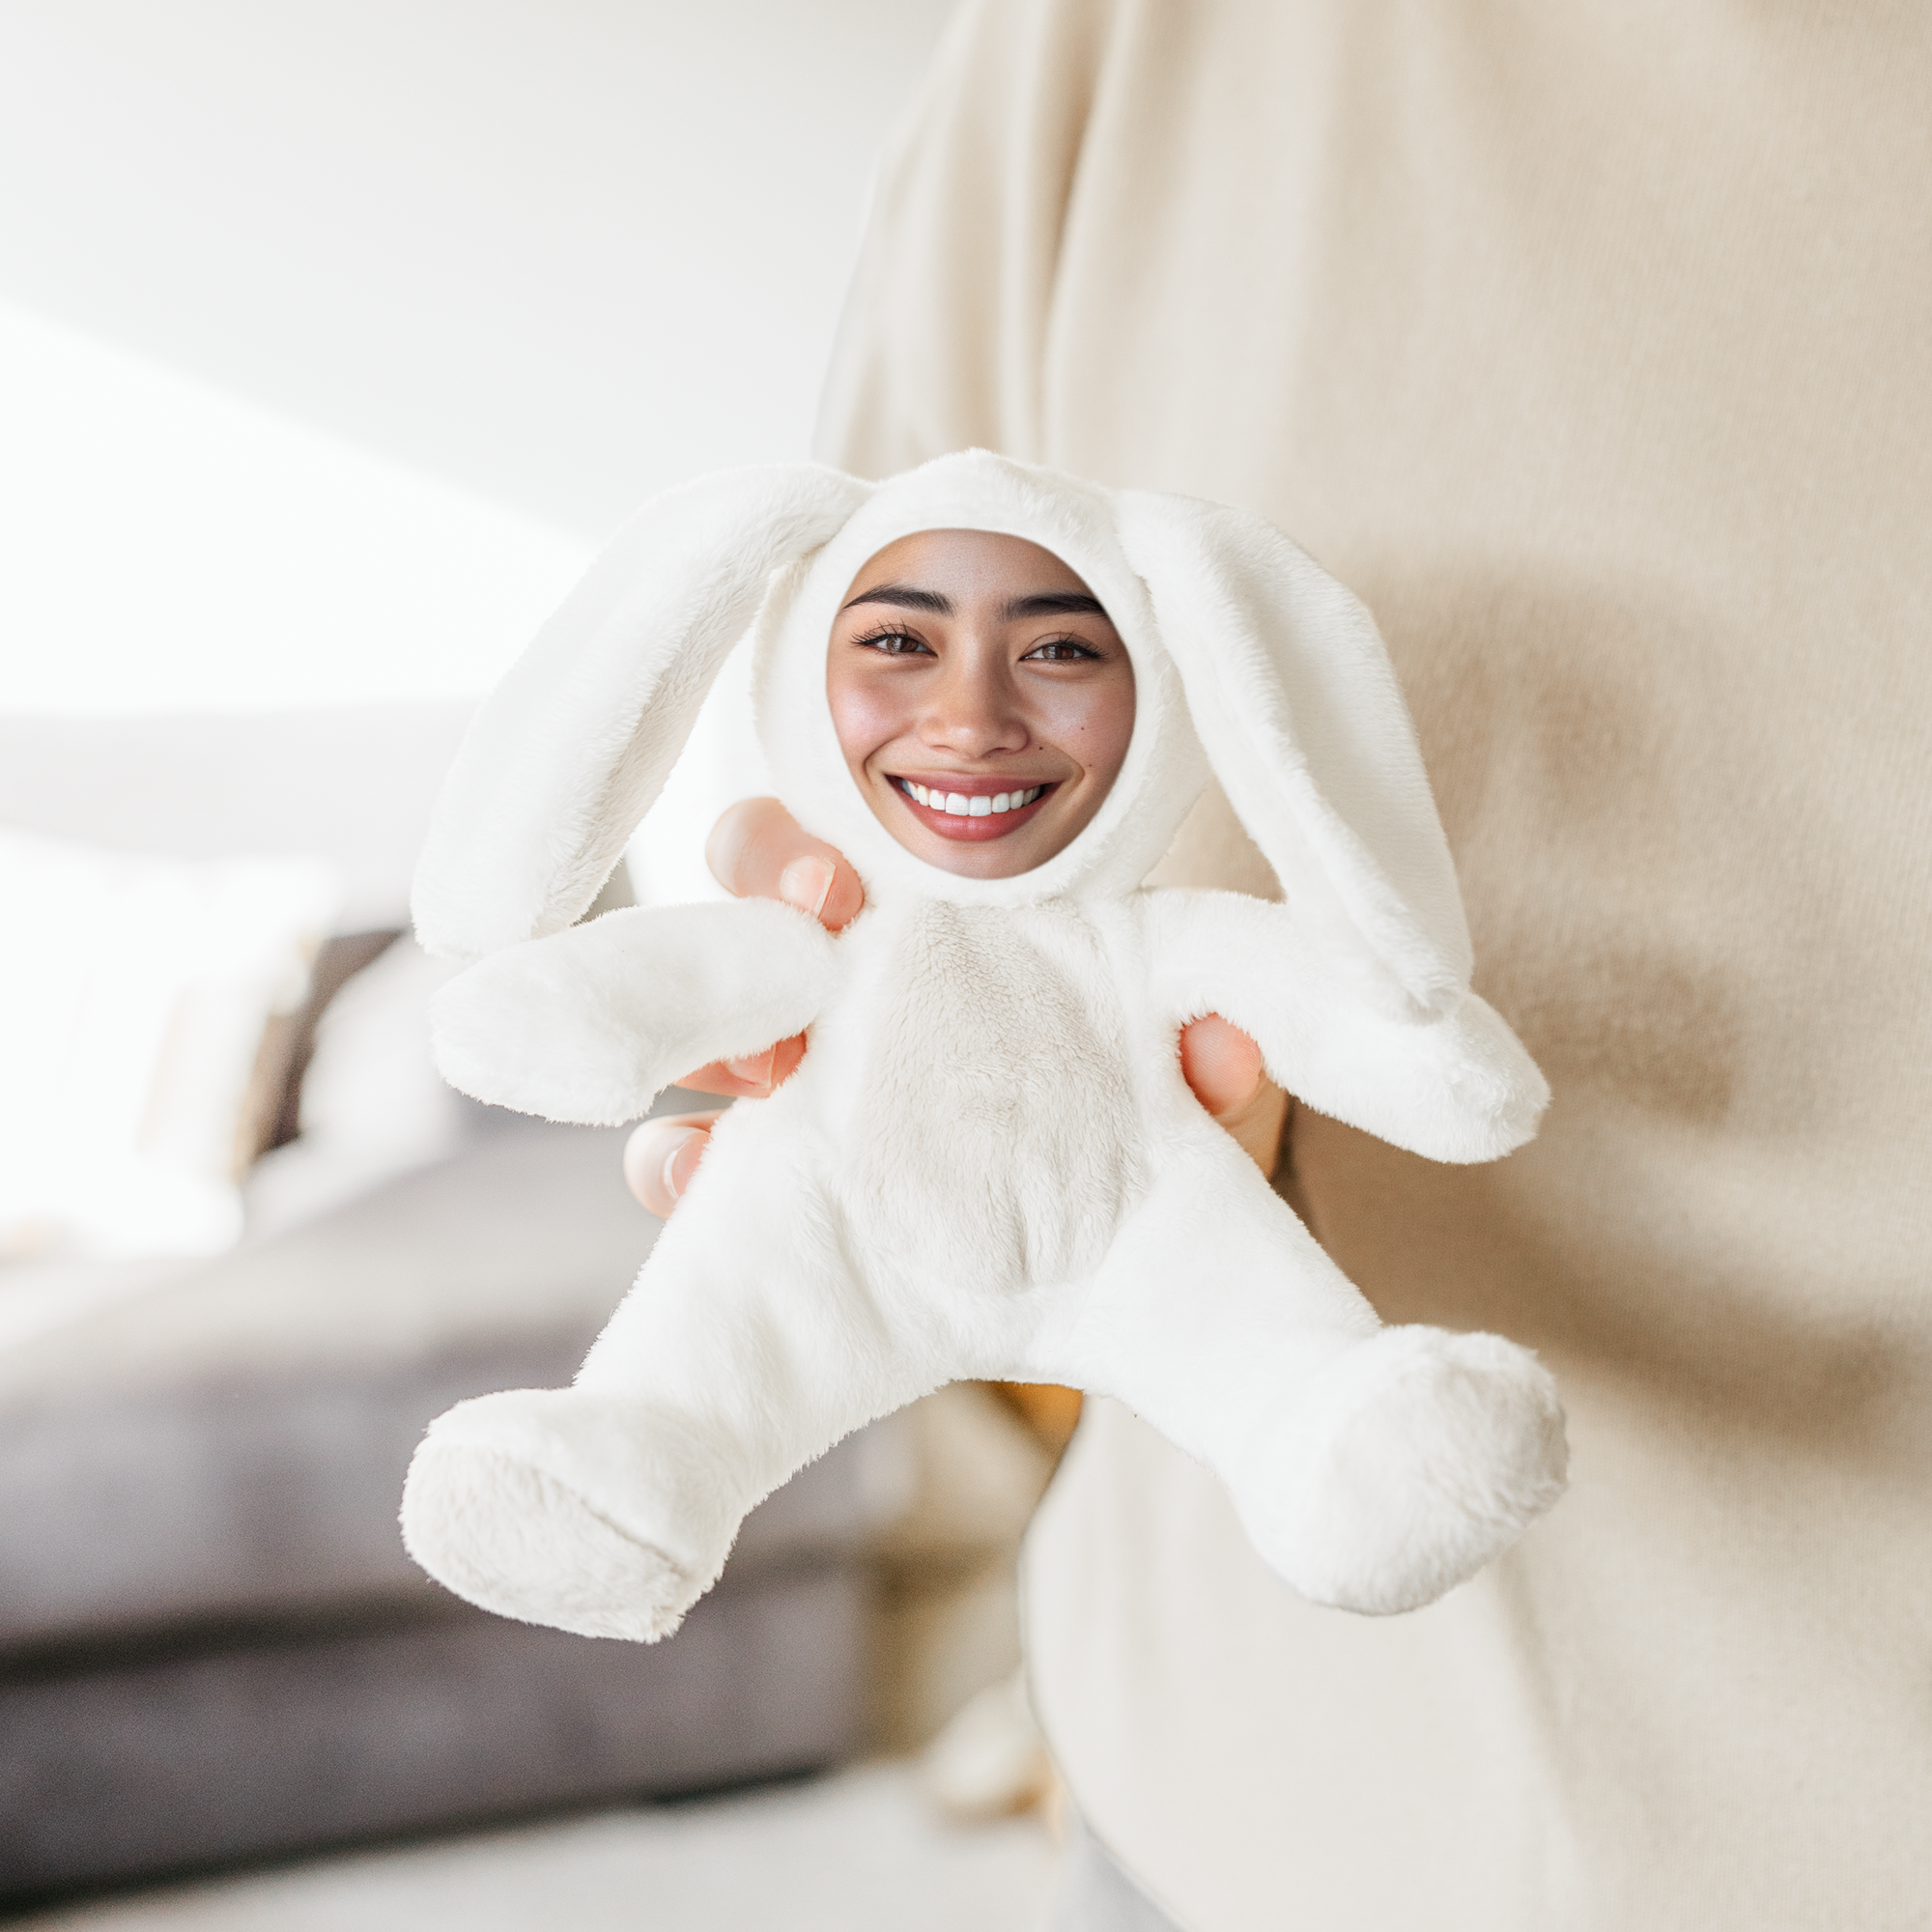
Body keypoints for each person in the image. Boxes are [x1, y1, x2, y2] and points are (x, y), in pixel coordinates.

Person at [641, 3, 1932, 1925]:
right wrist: (800, 1003)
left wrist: (1409, 1056)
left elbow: (1421, 1042)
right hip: (1230, 1813)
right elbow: (835, 774)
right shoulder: (1107, 48)